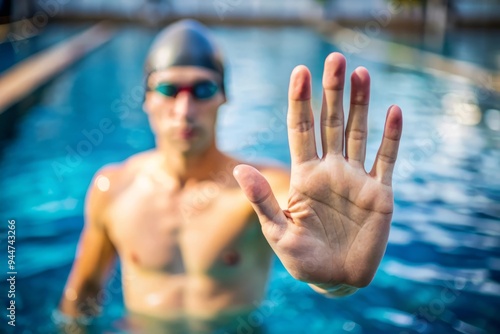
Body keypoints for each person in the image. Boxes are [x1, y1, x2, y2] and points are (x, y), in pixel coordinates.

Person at [58, 19, 403, 333]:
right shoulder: (113, 187)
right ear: (146, 98)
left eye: (203, 90)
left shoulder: (259, 190)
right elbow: (83, 295)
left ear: (224, 97)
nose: (185, 110)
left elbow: (314, 241)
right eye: (168, 90)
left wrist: (336, 281)